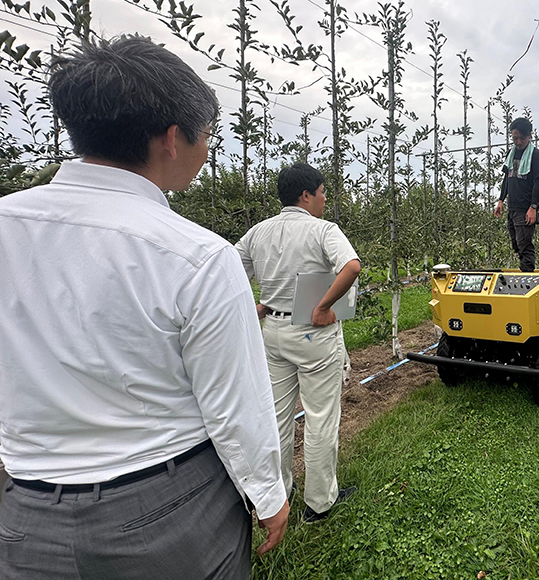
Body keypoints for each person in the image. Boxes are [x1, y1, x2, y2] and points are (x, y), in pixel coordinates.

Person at [0, 36, 288, 580]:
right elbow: (233, 407)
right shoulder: (197, 254)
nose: (209, 152)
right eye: (208, 136)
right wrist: (267, 493)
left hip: (26, 513)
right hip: (169, 510)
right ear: (172, 139)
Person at [236, 163, 362, 523]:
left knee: (277, 416)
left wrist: (259, 304)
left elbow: (228, 274)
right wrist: (323, 306)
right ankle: (319, 504)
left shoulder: (257, 233)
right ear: (306, 195)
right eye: (322, 193)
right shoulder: (323, 230)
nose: (324, 200)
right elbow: (351, 267)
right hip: (312, 332)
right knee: (321, 417)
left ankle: (279, 492)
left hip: (272, 334)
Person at [494, 117, 539, 271]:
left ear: (529, 135)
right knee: (516, 244)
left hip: (525, 208)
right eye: (514, 138)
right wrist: (501, 200)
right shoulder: (511, 154)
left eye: (521, 138)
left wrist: (533, 207)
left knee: (525, 246)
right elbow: (507, 178)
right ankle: (525, 274)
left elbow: (538, 183)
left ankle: (527, 279)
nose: (517, 142)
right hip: (513, 206)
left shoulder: (536, 155)